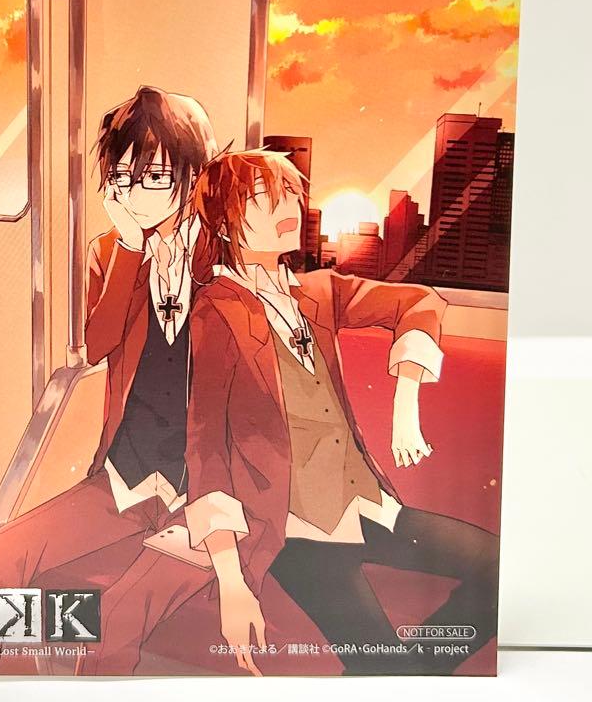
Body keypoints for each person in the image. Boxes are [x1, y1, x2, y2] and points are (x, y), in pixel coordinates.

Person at [88, 148, 498, 676]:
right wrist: (232, 580)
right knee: (384, 664)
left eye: (289, 196)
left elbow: (420, 301)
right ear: (225, 223)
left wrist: (406, 397)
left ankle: (404, 674)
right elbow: (207, 444)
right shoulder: (216, 309)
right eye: (262, 198)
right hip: (291, 529)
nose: (286, 209)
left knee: (499, 571)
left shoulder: (319, 291)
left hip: (367, 507)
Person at [0, 85, 217, 674]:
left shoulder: (224, 254)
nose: (135, 194)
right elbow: (96, 346)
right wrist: (128, 245)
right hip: (124, 480)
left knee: (109, 629)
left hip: (204, 494)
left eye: (155, 177)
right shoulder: (113, 252)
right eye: (122, 179)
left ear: (193, 175)